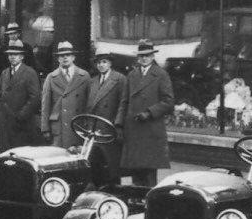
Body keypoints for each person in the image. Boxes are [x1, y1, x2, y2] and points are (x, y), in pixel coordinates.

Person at [115, 40, 174, 186]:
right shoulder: (132, 75)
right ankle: (136, 202)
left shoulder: (161, 75)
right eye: (141, 56)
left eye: (147, 55)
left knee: (149, 172)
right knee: (136, 171)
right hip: (133, 129)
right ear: (138, 57)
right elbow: (124, 101)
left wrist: (149, 112)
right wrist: (119, 123)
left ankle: (148, 202)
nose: (144, 58)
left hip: (150, 129)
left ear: (153, 56)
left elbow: (168, 101)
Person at [41, 41, 90, 149]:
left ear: (73, 57)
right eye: (62, 56)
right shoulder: (51, 77)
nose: (65, 58)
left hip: (78, 125)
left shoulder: (84, 76)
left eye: (68, 55)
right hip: (59, 127)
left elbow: (89, 104)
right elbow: (45, 105)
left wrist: (88, 125)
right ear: (58, 59)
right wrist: (45, 128)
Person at [86, 51, 125, 182]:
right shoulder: (93, 81)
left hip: (110, 128)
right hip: (94, 129)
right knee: (95, 165)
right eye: (98, 63)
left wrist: (118, 125)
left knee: (111, 166)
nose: (101, 65)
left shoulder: (119, 79)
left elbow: (123, 104)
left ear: (110, 63)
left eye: (104, 62)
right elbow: (89, 105)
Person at [0, 39, 41, 149]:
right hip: (5, 123)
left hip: (22, 125)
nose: (12, 57)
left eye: (16, 54)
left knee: (19, 154)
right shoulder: (4, 73)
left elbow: (35, 97)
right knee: (5, 153)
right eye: (10, 54)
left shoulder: (29, 72)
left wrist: (21, 116)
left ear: (22, 57)